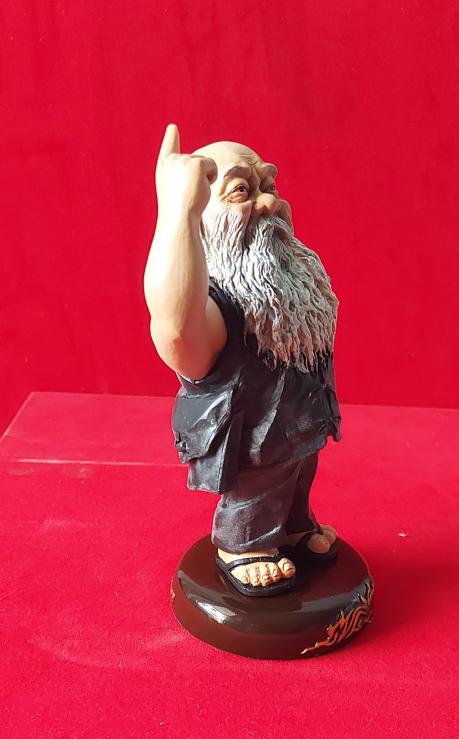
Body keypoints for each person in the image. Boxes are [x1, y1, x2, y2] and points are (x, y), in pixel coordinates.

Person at [144, 124, 342, 597]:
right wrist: (177, 213)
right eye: (241, 192)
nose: (269, 204)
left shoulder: (286, 281)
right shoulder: (215, 308)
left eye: (269, 186)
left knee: (297, 476)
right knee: (259, 487)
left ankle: (291, 527)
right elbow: (175, 326)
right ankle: (244, 545)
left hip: (300, 424)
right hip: (250, 437)